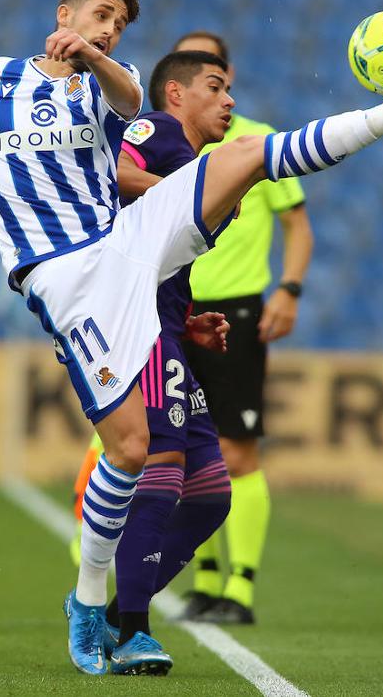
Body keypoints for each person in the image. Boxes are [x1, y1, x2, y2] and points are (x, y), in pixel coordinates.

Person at [0, 0, 383, 676]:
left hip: (125, 241)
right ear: (64, 12)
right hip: (62, 274)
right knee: (134, 450)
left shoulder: (115, 81)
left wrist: (95, 56)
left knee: (245, 157)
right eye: (101, 16)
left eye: (119, 23)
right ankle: (92, 603)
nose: (110, 29)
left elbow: (130, 97)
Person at [77, 49, 241, 675]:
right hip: (136, 329)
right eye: (215, 86)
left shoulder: (196, 163)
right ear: (175, 92)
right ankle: (133, 632)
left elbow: (161, 251)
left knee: (209, 495)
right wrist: (187, 190)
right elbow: (115, 172)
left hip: (169, 327)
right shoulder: (157, 129)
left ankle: (120, 615)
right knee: (163, 467)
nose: (229, 100)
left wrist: (190, 318)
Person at [172, 31, 312, 625]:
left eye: (217, 70)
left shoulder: (257, 142)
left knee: (237, 449)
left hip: (235, 311)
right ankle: (203, 584)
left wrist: (289, 287)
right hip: (173, 308)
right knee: (180, 452)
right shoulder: (163, 142)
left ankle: (242, 589)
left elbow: (298, 227)